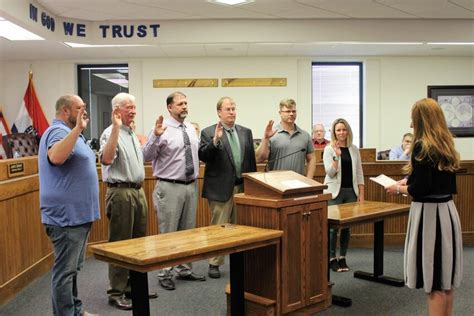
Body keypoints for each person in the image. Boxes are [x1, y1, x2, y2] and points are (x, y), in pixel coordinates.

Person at [386, 98, 462, 316]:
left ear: (421, 120)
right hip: (446, 211)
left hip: (430, 217)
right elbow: (434, 180)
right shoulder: (445, 144)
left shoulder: (422, 145)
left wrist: (397, 188)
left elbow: (421, 189)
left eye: (413, 118)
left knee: (434, 280)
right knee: (444, 279)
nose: (411, 123)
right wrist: (407, 181)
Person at [38, 95, 100, 316]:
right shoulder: (58, 131)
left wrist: (78, 132)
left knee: (72, 270)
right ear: (65, 111)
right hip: (65, 218)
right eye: (79, 108)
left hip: (78, 216)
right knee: (64, 272)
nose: (84, 112)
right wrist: (77, 131)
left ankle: (75, 310)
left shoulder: (72, 133)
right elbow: (55, 156)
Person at [143, 91, 206, 291]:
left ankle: (184, 269)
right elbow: (147, 156)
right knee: (168, 232)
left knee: (187, 232)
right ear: (170, 107)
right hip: (169, 186)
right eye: (180, 104)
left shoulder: (189, 127)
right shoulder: (162, 129)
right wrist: (155, 136)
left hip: (190, 185)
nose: (184, 106)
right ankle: (165, 272)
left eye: (186, 103)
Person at [100, 92, 157, 310]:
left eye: (134, 107)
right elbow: (106, 159)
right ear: (116, 111)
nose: (133, 111)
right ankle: (115, 292)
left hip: (137, 191)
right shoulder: (110, 133)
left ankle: (132, 288)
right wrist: (115, 127)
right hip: (120, 193)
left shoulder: (131, 133)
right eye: (128, 107)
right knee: (120, 245)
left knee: (138, 244)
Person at [199, 97, 257, 278]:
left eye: (233, 108)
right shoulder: (208, 132)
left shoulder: (245, 132)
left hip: (242, 187)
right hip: (220, 188)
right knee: (220, 226)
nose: (232, 112)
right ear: (219, 112)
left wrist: (253, 186)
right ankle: (214, 263)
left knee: (240, 227)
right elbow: (204, 155)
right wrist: (215, 141)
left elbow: (251, 161)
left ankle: (239, 261)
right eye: (228, 109)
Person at [323, 118, 364, 273]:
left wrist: (361, 194)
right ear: (334, 132)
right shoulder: (329, 149)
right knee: (333, 229)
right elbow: (330, 172)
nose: (341, 133)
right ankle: (331, 258)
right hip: (334, 193)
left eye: (344, 129)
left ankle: (343, 257)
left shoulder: (354, 149)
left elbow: (359, 172)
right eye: (338, 130)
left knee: (346, 228)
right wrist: (337, 156)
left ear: (348, 131)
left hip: (350, 192)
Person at [256, 98, 315, 178]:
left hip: (298, 183)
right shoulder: (272, 134)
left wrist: (309, 180)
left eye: (293, 111)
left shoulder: (305, 135)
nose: (291, 114)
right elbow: (259, 158)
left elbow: (311, 159)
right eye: (288, 111)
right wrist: (266, 138)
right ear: (280, 113)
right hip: (276, 183)